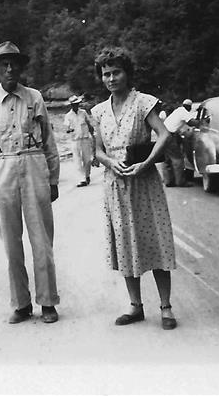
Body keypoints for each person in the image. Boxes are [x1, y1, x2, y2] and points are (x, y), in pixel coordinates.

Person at [0, 41, 61, 325]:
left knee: (42, 241)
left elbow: (49, 141)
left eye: (14, 64)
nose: (9, 69)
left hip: (34, 166)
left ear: (21, 67)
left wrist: (53, 178)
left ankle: (47, 302)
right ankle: (21, 304)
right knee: (11, 243)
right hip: (3, 169)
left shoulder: (35, 97)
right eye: (3, 64)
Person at [90, 46, 178, 330]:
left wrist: (147, 162)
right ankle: (135, 306)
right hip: (116, 184)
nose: (111, 78)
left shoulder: (143, 103)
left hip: (144, 182)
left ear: (127, 73)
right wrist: (109, 163)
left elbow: (164, 134)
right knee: (126, 242)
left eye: (116, 72)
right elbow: (98, 151)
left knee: (155, 241)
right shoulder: (99, 111)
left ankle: (165, 307)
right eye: (106, 74)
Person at [162, 98, 196, 187]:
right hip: (169, 135)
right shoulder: (183, 111)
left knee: (167, 160)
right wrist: (202, 122)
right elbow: (191, 122)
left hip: (163, 134)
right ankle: (180, 182)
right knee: (178, 159)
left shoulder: (178, 111)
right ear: (189, 107)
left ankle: (168, 181)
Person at [64, 95, 95, 187]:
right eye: (74, 104)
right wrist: (69, 130)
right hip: (75, 140)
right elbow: (66, 127)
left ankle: (87, 175)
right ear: (71, 105)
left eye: (77, 104)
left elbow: (89, 124)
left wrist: (92, 134)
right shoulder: (68, 116)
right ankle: (82, 179)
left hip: (85, 139)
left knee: (87, 160)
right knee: (77, 160)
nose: (76, 105)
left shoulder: (83, 113)